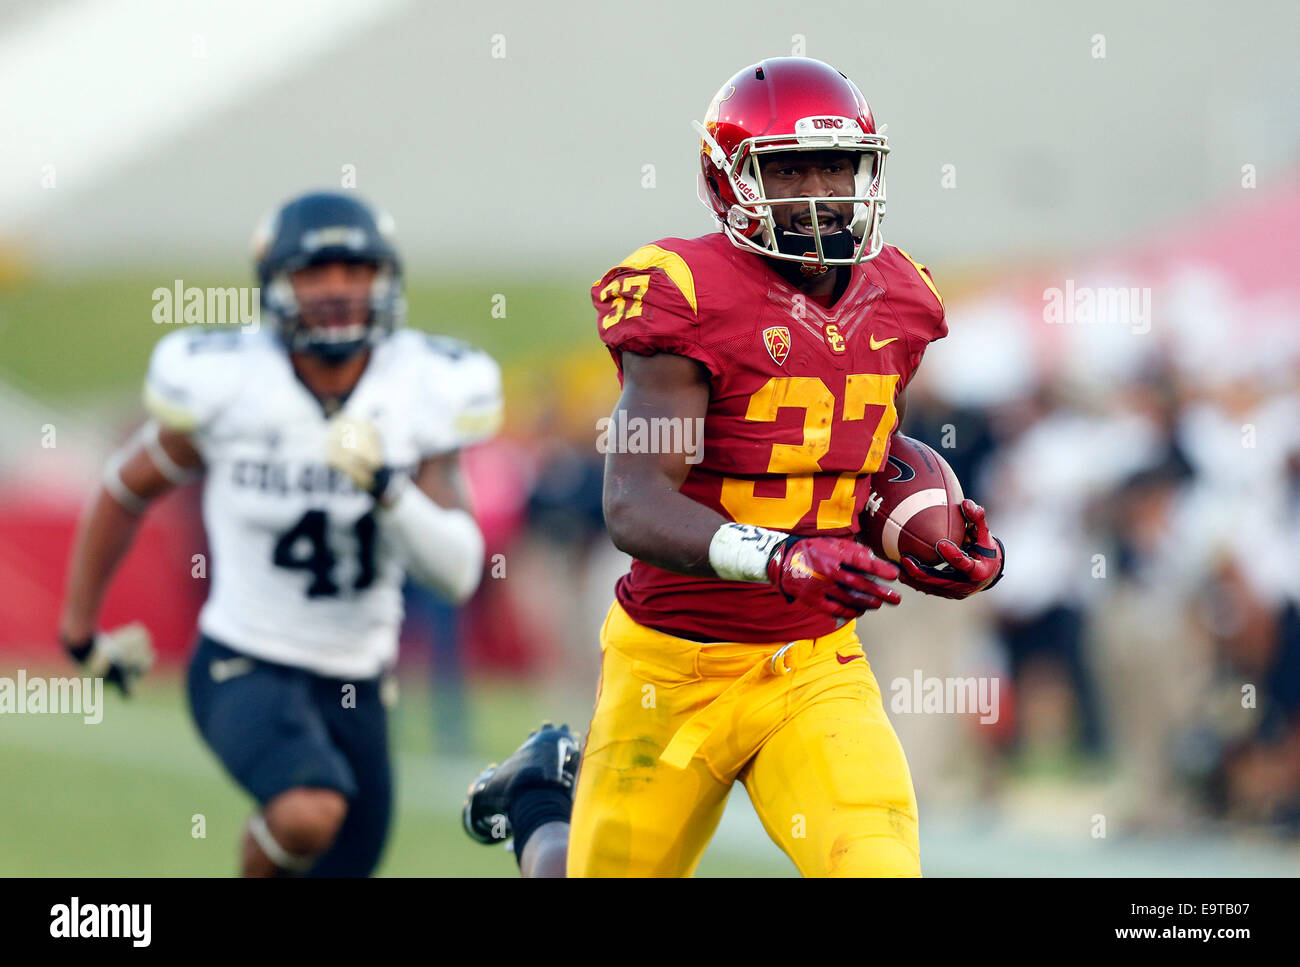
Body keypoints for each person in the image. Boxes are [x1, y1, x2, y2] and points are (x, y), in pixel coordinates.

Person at [464, 57, 1003, 877]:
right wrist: (782, 555)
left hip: (813, 663)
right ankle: (541, 799)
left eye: (836, 164)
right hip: (671, 666)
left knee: (876, 864)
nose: (821, 189)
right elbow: (634, 503)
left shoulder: (901, 302)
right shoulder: (686, 293)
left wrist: (929, 533)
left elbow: (842, 461)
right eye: (789, 168)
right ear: (731, 180)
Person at [59, 190, 502, 876]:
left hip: (359, 676)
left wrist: (388, 487)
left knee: (342, 857)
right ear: (276, 286)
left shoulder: (420, 391)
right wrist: (81, 630)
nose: (336, 289)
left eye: (355, 271)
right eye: (314, 271)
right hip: (245, 657)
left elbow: (459, 571)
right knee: (307, 808)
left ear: (384, 281)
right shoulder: (235, 386)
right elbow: (125, 487)